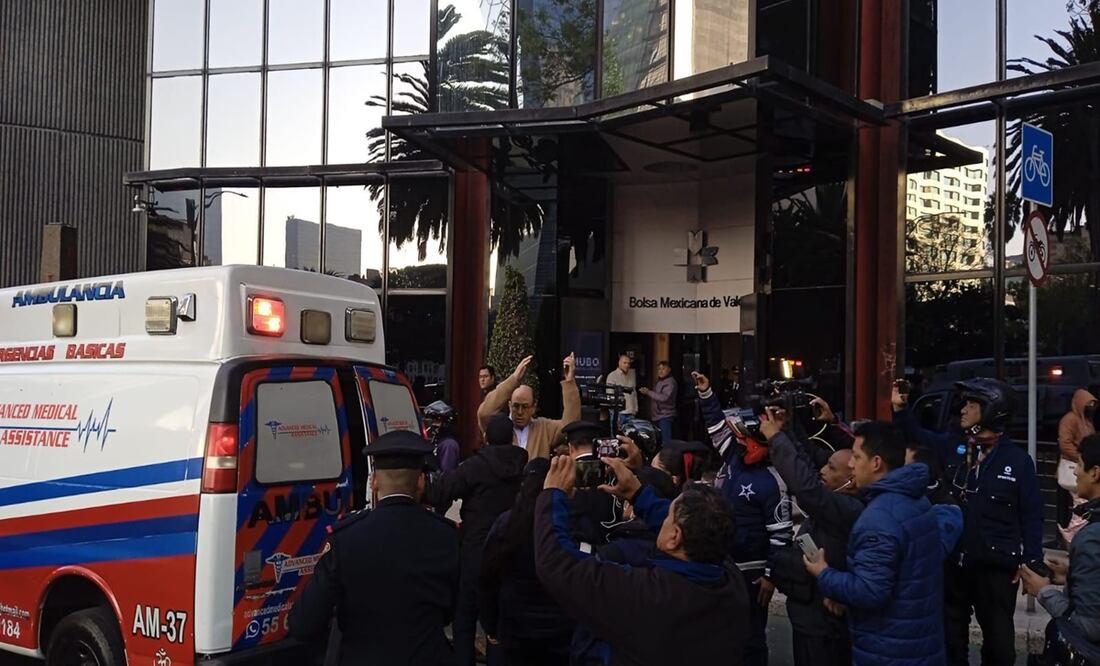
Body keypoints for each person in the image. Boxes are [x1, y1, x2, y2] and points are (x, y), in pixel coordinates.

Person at [535, 454, 750, 665]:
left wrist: (553, 495)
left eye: (668, 517)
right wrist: (637, 494)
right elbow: (699, 529)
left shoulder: (647, 595)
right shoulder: (731, 581)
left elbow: (558, 563)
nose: (663, 519)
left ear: (674, 538)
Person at [893, 378, 1043, 666]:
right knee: (951, 644)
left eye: (972, 404)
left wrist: (1032, 561)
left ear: (992, 410)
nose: (963, 409)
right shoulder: (954, 446)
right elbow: (917, 436)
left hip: (996, 570)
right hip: (954, 565)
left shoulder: (1018, 461)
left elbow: (1032, 515)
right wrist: (901, 410)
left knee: (1000, 649)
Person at [289, 431, 459, 666]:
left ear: (374, 481)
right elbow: (452, 609)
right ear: (421, 482)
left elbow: (303, 624)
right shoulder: (447, 536)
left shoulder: (346, 539)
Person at [803, 421, 946, 666]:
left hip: (889, 650)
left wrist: (824, 574)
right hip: (919, 642)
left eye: (857, 456)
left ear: (876, 462)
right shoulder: (916, 500)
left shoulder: (880, 518)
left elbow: (869, 592)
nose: (851, 464)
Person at [696, 372, 793, 666]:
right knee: (720, 635)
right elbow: (716, 427)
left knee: (751, 638)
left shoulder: (774, 480)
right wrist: (706, 394)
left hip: (752, 575)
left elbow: (782, 535)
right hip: (721, 565)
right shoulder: (733, 458)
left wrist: (770, 577)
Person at [758, 409, 862, 666]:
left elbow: (805, 488)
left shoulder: (848, 509)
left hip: (823, 622)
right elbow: (806, 464)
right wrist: (789, 429)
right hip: (807, 612)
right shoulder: (836, 500)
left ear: (851, 480)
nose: (822, 470)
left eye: (831, 467)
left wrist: (776, 439)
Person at [424, 414, 528, 666]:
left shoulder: (475, 466)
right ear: (512, 438)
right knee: (498, 622)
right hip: (509, 551)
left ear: (486, 438)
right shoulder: (524, 466)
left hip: (476, 549)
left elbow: (441, 491)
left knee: (465, 617)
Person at [480, 458, 574, 666]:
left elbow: (488, 576)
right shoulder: (565, 523)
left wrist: (490, 623)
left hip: (516, 626)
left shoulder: (507, 523)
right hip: (561, 628)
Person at [1021, 433, 1100, 663]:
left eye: (1079, 465)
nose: (1075, 472)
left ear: (1095, 473)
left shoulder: (1091, 538)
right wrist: (1070, 576)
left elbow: (1090, 626)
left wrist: (1044, 591)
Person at [478, 354, 581, 459]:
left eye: (525, 407)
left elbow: (570, 426)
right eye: (516, 406)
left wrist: (569, 382)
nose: (520, 412)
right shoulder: (499, 428)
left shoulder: (544, 428)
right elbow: (484, 413)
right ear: (509, 405)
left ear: (533, 408)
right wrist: (514, 379)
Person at [1058, 389, 1097, 544]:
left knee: (1083, 504)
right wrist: (1082, 458)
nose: (1091, 408)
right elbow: (1065, 442)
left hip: (1084, 465)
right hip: (1078, 465)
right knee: (1083, 504)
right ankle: (1071, 535)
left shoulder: (1086, 420)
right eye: (1089, 404)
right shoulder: (1070, 420)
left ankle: (1071, 535)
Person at [639, 361, 677, 442]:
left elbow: (664, 398)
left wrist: (648, 392)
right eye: (659, 369)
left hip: (665, 416)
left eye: (663, 369)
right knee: (658, 441)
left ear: (669, 370)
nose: (660, 371)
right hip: (657, 416)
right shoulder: (660, 381)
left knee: (665, 442)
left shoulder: (670, 382)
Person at [425, 400, 461, 474]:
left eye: (437, 420)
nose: (433, 424)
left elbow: (447, 475)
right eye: (432, 420)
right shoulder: (437, 440)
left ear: (446, 422)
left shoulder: (449, 445)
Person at [605, 353, 638, 429]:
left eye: (628, 363)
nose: (627, 365)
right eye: (624, 363)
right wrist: (614, 414)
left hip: (631, 413)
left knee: (631, 435)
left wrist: (635, 409)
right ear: (619, 363)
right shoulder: (612, 376)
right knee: (617, 435)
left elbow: (634, 393)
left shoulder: (632, 375)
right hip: (619, 414)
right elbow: (610, 396)